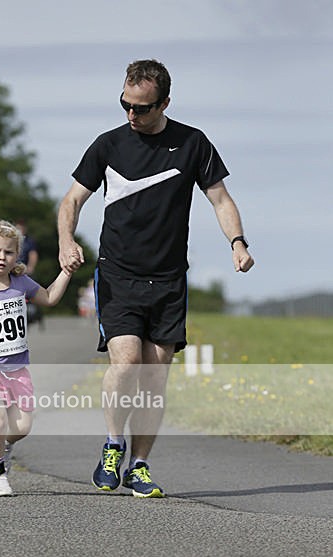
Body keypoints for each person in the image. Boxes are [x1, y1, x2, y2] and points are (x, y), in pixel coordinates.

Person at [58, 58, 254, 498]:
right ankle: (113, 445)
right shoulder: (107, 145)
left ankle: (140, 465)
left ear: (164, 102)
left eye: (142, 108)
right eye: (125, 104)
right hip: (118, 273)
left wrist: (237, 242)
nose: (131, 115)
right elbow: (71, 200)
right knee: (126, 362)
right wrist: (65, 242)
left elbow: (220, 199)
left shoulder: (193, 144)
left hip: (167, 279)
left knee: (155, 375)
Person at [0, 220, 72, 497]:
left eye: (7, 252)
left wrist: (66, 271)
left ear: (17, 255)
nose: (1, 257)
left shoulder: (22, 283)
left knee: (21, 428)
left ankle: (2, 447)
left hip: (18, 370)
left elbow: (50, 298)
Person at [15, 219, 43, 328]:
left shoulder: (29, 241)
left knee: (31, 293)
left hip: (24, 269)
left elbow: (33, 254)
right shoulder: (13, 240)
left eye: (21, 228)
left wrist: (31, 267)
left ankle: (33, 315)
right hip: (12, 269)